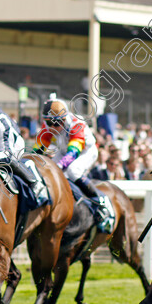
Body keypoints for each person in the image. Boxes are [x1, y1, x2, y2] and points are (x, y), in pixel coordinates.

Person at [33, 98, 113, 229]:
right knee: (47, 170)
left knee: (72, 170)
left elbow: (73, 152)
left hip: (85, 151)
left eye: (56, 123)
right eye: (48, 122)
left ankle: (101, 200)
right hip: (64, 151)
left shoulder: (76, 124)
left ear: (64, 119)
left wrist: (58, 167)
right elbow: (38, 150)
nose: (52, 127)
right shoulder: (47, 126)